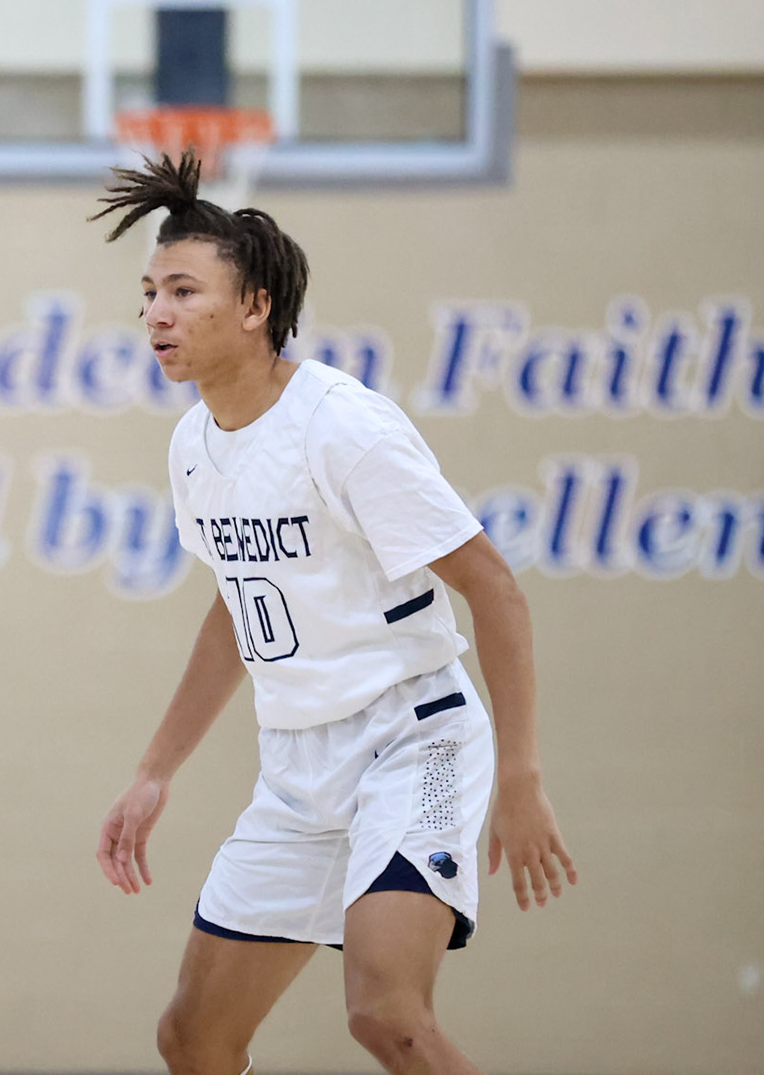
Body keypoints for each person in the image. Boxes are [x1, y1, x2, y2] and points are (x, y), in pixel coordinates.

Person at [89, 153, 575, 1075]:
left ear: (256, 305)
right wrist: (154, 772)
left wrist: (519, 772)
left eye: (184, 291)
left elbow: (494, 588)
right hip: (297, 769)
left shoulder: (343, 428)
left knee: (387, 1014)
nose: (156, 313)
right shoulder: (195, 446)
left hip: (415, 741)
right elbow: (238, 608)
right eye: (149, 292)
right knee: (191, 1039)